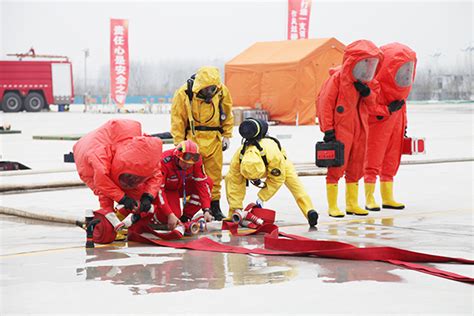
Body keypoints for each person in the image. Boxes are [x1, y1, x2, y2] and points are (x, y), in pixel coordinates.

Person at [316, 39, 384, 218]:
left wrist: (367, 93)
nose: (368, 69)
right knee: (337, 166)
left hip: (361, 129)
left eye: (371, 64)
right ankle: (333, 205)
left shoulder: (369, 84)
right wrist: (328, 130)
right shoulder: (337, 80)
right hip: (341, 130)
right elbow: (325, 103)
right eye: (365, 63)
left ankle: (352, 204)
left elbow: (374, 105)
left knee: (356, 165)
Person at [73, 119, 163, 243]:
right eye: (130, 178)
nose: (131, 182)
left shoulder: (146, 154)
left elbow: (157, 175)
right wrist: (123, 198)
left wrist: (148, 197)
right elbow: (102, 181)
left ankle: (127, 218)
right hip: (87, 163)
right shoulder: (99, 155)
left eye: (135, 178)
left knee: (138, 200)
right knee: (105, 193)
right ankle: (108, 222)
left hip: (120, 165)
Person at [225, 118, 319, 227]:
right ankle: (233, 212)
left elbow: (276, 179)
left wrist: (262, 197)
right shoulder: (238, 158)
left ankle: (310, 212)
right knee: (229, 178)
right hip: (265, 161)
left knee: (296, 186)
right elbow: (234, 183)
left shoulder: (273, 153)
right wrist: (235, 208)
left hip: (280, 164)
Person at [170, 66, 234, 221]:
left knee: (215, 175)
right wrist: (179, 143)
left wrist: (227, 134)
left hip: (214, 138)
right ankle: (191, 210)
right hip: (193, 139)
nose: (210, 93)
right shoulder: (184, 93)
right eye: (207, 90)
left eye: (212, 89)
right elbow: (177, 119)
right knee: (192, 176)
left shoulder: (221, 90)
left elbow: (227, 112)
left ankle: (214, 207)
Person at [364, 43, 417, 211]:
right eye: (403, 69)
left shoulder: (401, 92)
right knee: (373, 159)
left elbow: (403, 110)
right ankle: (369, 196)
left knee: (391, 161)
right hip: (378, 128)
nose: (406, 74)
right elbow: (368, 107)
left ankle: (387, 197)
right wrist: (386, 110)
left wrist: (405, 127)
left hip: (395, 127)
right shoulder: (374, 86)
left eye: (409, 69)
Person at [154, 140, 214, 229]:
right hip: (166, 190)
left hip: (182, 186)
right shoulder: (164, 162)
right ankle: (149, 215)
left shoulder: (196, 160)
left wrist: (206, 210)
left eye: (190, 164)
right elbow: (159, 191)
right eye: (185, 163)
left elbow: (202, 184)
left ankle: (186, 217)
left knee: (208, 182)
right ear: (177, 157)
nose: (187, 166)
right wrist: (169, 214)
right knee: (170, 216)